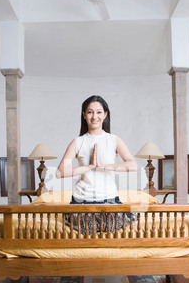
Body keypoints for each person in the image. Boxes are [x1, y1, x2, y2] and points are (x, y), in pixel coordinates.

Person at [56, 95, 138, 232]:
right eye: (90, 112)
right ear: (84, 115)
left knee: (115, 224)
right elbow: (60, 172)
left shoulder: (114, 140)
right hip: (82, 200)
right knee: (88, 228)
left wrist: (103, 166)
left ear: (105, 115)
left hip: (109, 199)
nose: (94, 116)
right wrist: (88, 167)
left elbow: (133, 165)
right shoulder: (77, 142)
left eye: (99, 112)